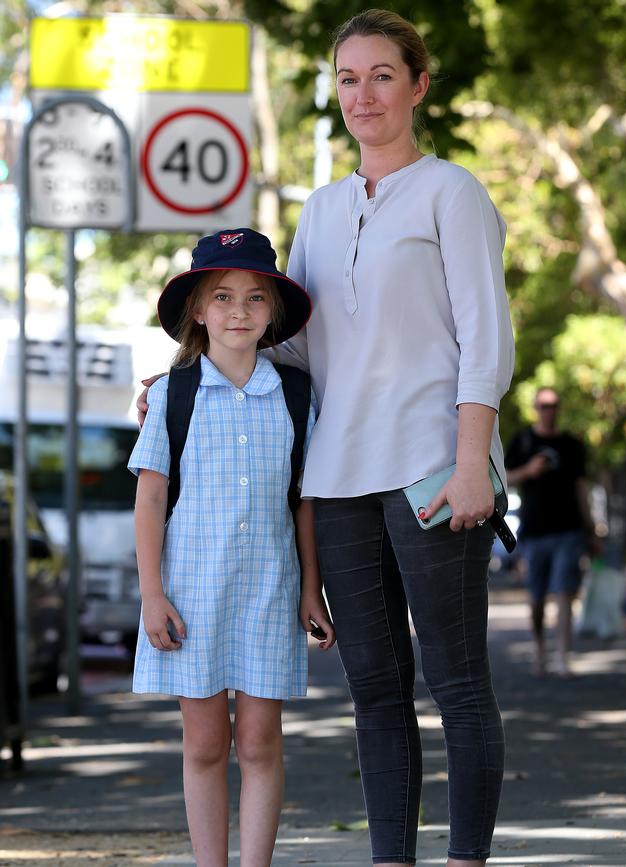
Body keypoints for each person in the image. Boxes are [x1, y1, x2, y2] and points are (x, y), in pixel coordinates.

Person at [140, 10, 514, 866]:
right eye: (349, 78)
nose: (364, 94)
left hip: (431, 468)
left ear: (418, 85)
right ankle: (391, 859)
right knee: (376, 691)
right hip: (339, 475)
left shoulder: (451, 192)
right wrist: (181, 375)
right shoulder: (323, 204)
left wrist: (470, 465)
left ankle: (464, 861)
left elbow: (485, 337)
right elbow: (292, 340)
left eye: (383, 74)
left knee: (457, 683)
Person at [129, 228, 335, 867]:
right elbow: (151, 500)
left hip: (270, 591)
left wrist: (311, 589)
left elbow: (304, 501)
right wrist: (152, 594)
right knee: (204, 745)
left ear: (273, 310)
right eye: (221, 297)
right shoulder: (172, 395)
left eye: (253, 298)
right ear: (197, 308)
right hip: (191, 593)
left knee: (259, 742)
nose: (238, 311)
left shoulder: (297, 396)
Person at [505, 387, 596, 678]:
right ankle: (540, 651)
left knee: (565, 592)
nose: (550, 410)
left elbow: (582, 488)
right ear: (535, 408)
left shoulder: (572, 445)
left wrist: (590, 529)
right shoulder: (522, 441)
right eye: (544, 405)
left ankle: (563, 656)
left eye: (554, 405)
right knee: (537, 598)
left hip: (568, 529)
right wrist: (528, 471)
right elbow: (501, 477)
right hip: (534, 530)